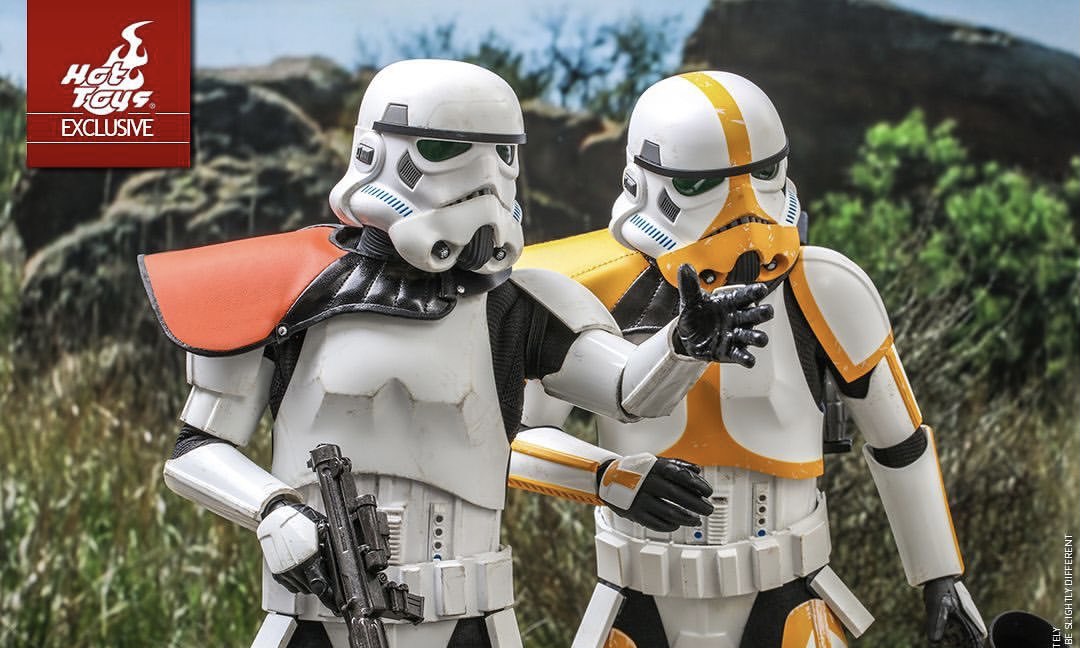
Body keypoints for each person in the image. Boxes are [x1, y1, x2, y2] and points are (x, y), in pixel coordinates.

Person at [139, 60, 774, 648]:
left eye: (503, 155)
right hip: (315, 614)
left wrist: (683, 345)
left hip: (473, 616)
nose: (485, 180)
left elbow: (629, 392)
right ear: (376, 153)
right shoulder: (284, 287)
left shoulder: (519, 304)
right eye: (447, 150)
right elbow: (196, 450)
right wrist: (273, 511)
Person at [514, 71, 986, 648]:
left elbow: (899, 442)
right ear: (640, 183)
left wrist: (941, 577)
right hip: (639, 596)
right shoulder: (586, 288)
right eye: (701, 184)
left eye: (763, 175)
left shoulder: (825, 288)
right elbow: (513, 438)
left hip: (787, 593)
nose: (744, 209)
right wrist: (608, 477)